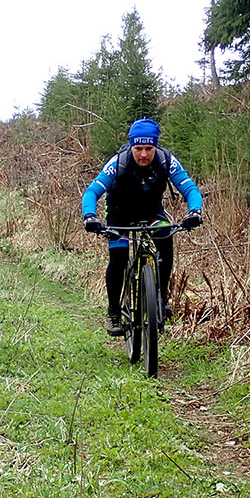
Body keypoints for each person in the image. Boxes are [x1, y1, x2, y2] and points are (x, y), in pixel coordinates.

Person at [81, 118, 203, 336]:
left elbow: (189, 188)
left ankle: (161, 297)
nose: (144, 154)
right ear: (131, 146)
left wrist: (195, 212)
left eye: (149, 148)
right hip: (119, 214)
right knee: (118, 258)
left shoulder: (166, 160)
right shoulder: (119, 162)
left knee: (165, 237)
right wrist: (90, 216)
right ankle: (114, 312)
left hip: (151, 213)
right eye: (138, 149)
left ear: (155, 146)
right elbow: (92, 192)